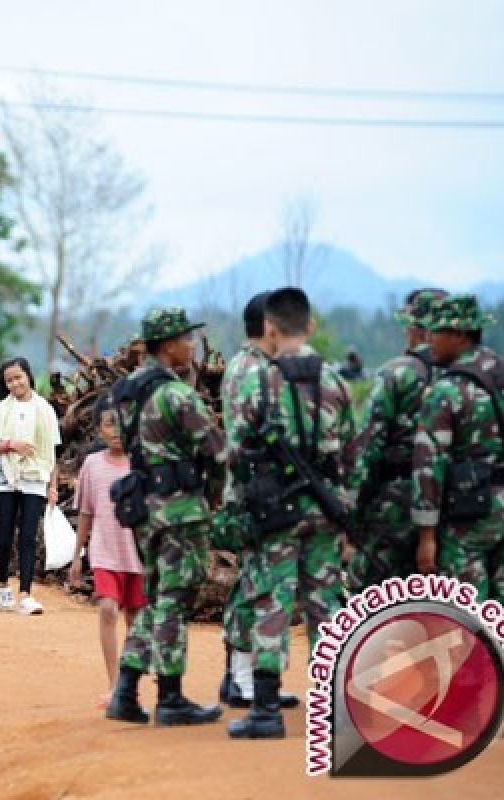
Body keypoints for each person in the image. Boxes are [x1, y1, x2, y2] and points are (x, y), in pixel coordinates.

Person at [227, 288, 356, 740]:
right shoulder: (336, 382)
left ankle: (264, 710)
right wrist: (346, 516)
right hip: (325, 511)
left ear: (271, 329)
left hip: (274, 513)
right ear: (312, 327)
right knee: (326, 604)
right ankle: (335, 710)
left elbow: (239, 452)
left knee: (271, 601)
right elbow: (350, 454)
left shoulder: (258, 380)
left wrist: (241, 510)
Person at [413, 294, 504, 738]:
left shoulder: (447, 389)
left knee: (465, 610)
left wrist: (426, 533)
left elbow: (429, 464)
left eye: (437, 332)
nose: (429, 341)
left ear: (460, 336)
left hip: (468, 517)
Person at [108, 307, 226, 727]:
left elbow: (127, 443)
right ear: (168, 344)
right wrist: (212, 498)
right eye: (186, 339)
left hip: (144, 510)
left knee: (158, 599)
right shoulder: (176, 394)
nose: (192, 346)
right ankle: (171, 698)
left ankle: (125, 690)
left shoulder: (126, 392)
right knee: (175, 600)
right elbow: (217, 451)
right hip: (180, 511)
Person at [213, 293, 300, 711]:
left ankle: (239, 676)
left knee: (251, 582)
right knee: (264, 588)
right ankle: (247, 681)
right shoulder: (261, 372)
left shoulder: (238, 366)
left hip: (243, 493)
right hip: (261, 496)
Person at [347, 288, 447, 589]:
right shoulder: (469, 375)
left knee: (375, 595)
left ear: (418, 329)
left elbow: (368, 448)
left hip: (396, 502)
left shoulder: (397, 374)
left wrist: (352, 509)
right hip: (459, 503)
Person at [70, 393, 144, 705]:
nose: (115, 431)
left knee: (134, 619)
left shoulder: (142, 464)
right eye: (108, 425)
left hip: (137, 553)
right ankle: (113, 684)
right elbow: (86, 511)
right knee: (107, 609)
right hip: (104, 550)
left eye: (121, 424)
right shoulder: (92, 465)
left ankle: (129, 685)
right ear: (99, 430)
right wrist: (77, 554)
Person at [0, 357, 60, 616]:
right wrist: (10, 445)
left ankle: (25, 593)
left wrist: (53, 486)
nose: (15, 383)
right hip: (6, 477)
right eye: (9, 380)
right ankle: (3, 584)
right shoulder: (1, 409)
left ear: (28, 376)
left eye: (19, 377)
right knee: (5, 536)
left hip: (36, 476)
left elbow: (51, 452)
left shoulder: (45, 409)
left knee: (28, 536)